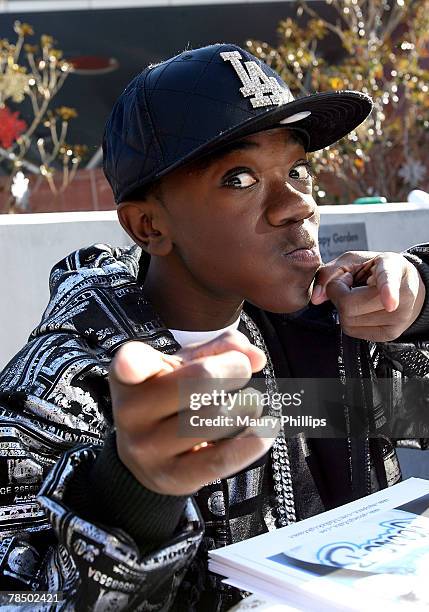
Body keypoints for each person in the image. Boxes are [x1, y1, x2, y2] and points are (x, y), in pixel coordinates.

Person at [0, 43, 428, 611]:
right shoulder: (64, 385)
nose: (296, 204)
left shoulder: (328, 328)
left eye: (298, 169)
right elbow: (24, 589)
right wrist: (131, 493)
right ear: (148, 224)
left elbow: (411, 407)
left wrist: (420, 293)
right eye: (240, 178)